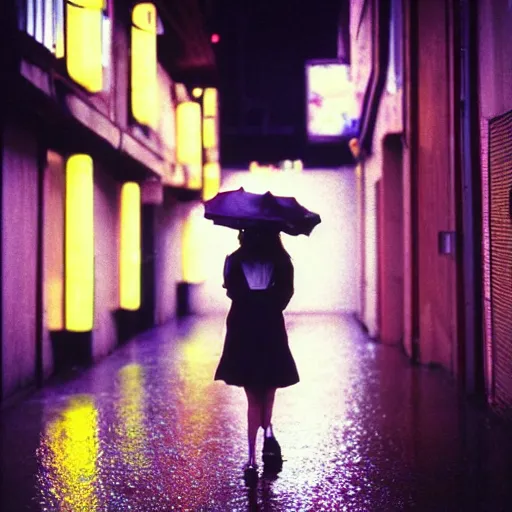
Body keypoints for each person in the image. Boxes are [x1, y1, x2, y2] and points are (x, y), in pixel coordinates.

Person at [214, 228, 300, 485]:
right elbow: (286, 294)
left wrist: (249, 299)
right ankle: (269, 433)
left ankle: (251, 459)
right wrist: (268, 302)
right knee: (269, 391)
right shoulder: (281, 260)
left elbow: (231, 290)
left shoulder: (234, 259)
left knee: (252, 397)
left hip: (243, 326)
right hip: (271, 325)